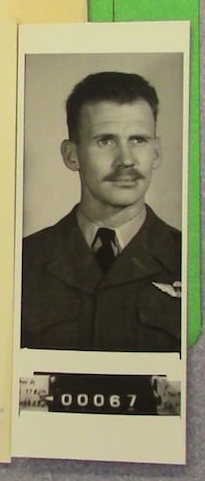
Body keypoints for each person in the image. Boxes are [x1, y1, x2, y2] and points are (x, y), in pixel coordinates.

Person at [20, 71, 180, 351]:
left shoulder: (188, 261)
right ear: (71, 155)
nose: (126, 160)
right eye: (106, 140)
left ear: (156, 152)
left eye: (139, 140)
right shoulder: (23, 261)